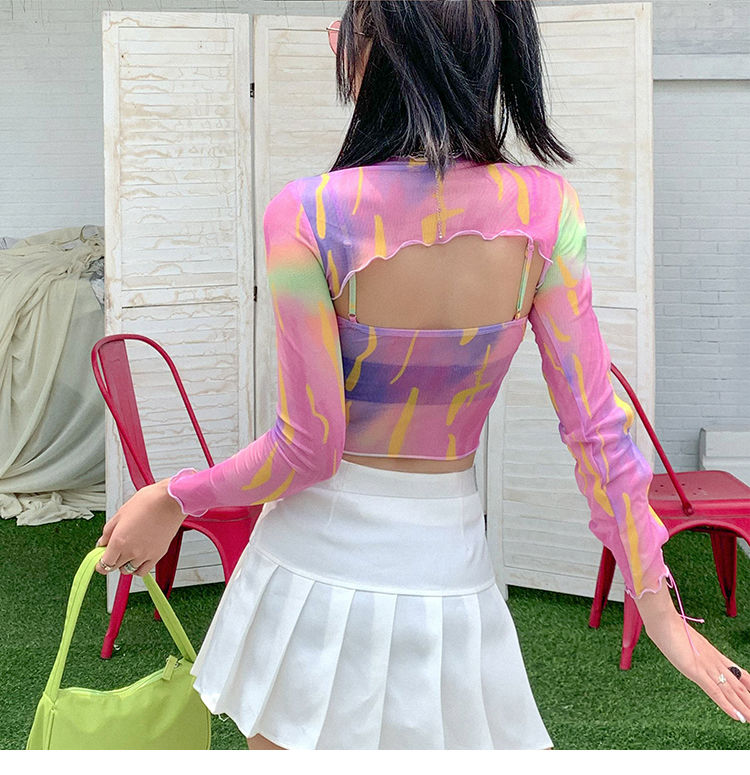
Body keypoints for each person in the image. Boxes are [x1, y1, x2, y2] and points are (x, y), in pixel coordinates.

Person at [93, 0, 750, 750]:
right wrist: (658, 605)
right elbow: (598, 427)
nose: (336, 44)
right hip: (449, 563)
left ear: (385, 51)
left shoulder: (307, 214)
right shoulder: (546, 211)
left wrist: (173, 495)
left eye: (345, 28)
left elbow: (307, 449)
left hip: (309, 564)